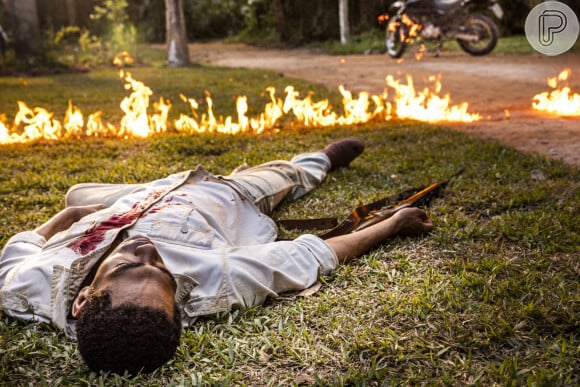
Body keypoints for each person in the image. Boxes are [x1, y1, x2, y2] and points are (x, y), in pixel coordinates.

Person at [0, 138, 433, 375]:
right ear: (178, 307)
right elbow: (312, 255)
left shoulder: (26, 287)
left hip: (140, 196)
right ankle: (318, 159)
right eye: (162, 271)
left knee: (76, 194)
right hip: (224, 196)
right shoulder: (216, 282)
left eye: (132, 265)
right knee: (287, 175)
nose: (148, 252)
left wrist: (71, 216)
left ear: (81, 299)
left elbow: (19, 247)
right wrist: (392, 225)